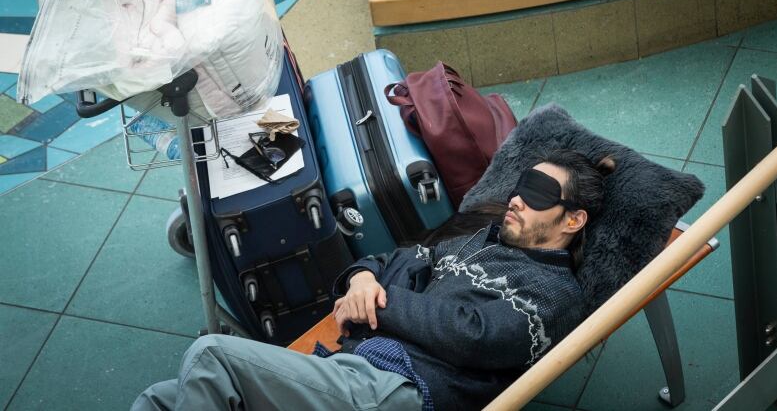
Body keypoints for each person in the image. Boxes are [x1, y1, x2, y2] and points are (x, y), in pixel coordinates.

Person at [131, 149, 615, 411]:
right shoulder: (478, 241)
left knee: (212, 354)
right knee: (160, 399)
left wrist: (381, 304)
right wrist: (363, 278)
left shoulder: (555, 293)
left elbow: (473, 336)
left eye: (537, 194)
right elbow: (395, 259)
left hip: (400, 392)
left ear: (572, 221)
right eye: (521, 186)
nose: (516, 199)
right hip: (351, 370)